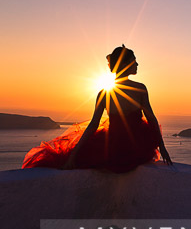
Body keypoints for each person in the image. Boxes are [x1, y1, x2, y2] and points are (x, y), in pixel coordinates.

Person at [22, 45, 173, 172]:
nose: (137, 64)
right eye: (135, 61)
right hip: (135, 146)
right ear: (127, 64)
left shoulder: (104, 93)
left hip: (113, 147)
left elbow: (93, 125)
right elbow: (151, 119)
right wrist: (162, 147)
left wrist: (74, 155)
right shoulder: (140, 89)